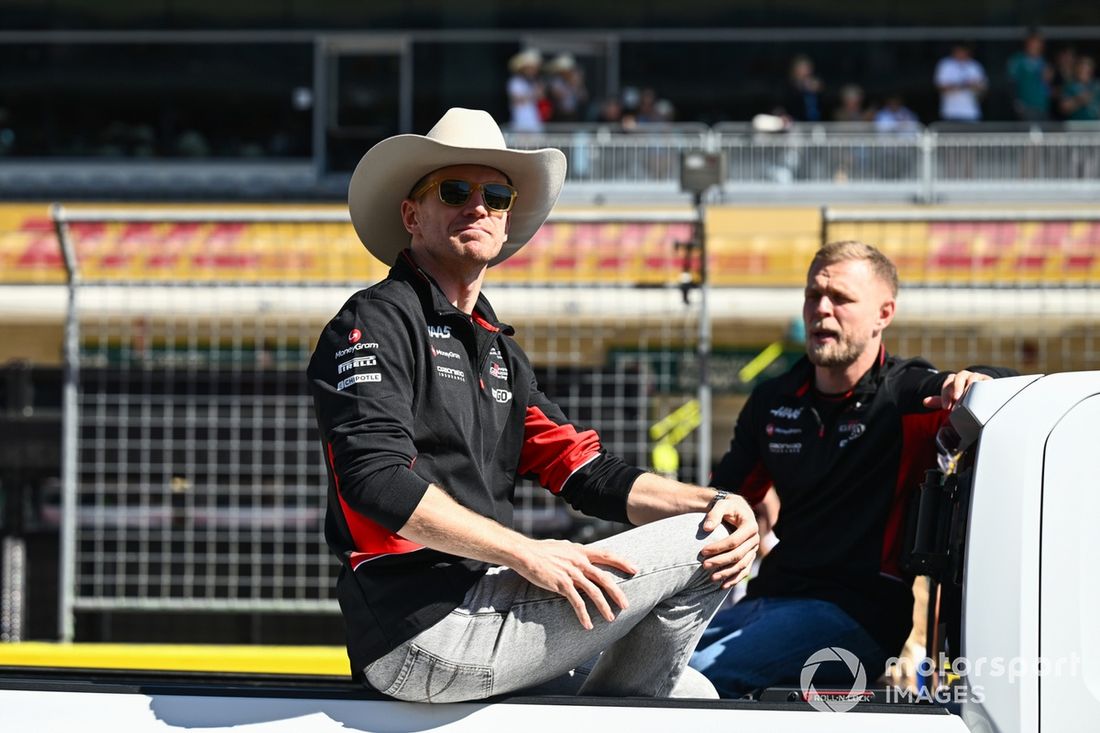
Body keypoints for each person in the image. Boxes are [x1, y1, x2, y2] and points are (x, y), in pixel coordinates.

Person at [308, 107, 760, 703]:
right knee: (705, 544)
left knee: (696, 692)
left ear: (506, 221)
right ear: (411, 216)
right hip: (420, 635)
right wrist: (524, 552)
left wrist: (718, 499)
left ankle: (629, 711)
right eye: (454, 190)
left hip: (486, 605)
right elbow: (375, 481)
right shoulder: (376, 319)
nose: (478, 206)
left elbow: (583, 471)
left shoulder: (497, 350)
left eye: (496, 195)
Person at [689, 241, 1016, 698]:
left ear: (884, 313)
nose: (821, 310)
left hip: (855, 615)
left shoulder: (910, 398)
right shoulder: (773, 400)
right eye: (812, 295)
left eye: (840, 299)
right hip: (767, 599)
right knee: (629, 661)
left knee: (690, 679)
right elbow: (718, 503)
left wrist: (979, 378)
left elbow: (993, 387)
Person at [934, 43, 987, 122]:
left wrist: (973, 86)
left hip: (971, 113)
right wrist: (962, 85)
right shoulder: (946, 65)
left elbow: (983, 88)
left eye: (963, 51)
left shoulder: (974, 66)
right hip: (950, 113)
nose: (961, 53)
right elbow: (940, 87)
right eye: (959, 51)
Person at [1006, 30, 1052, 122]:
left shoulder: (1043, 61)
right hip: (1026, 108)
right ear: (1027, 43)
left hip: (1043, 107)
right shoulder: (1018, 60)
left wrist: (1048, 79)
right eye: (1033, 42)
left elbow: (1046, 85)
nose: (1036, 45)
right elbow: (1010, 83)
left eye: (1039, 43)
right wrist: (1017, 103)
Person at [507, 49, 546, 132]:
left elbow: (541, 98)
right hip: (521, 122)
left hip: (534, 121)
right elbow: (517, 99)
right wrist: (534, 94)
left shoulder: (533, 82)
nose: (532, 71)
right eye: (530, 68)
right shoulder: (515, 81)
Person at [1060, 55, 1100, 121]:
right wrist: (1079, 100)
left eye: (1086, 67)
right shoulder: (1069, 86)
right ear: (1076, 69)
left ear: (1091, 70)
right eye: (1081, 67)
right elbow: (1064, 108)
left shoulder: (1097, 86)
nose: (1083, 69)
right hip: (1076, 125)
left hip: (1095, 125)